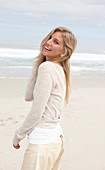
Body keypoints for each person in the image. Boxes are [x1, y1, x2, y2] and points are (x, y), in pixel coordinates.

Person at [13, 26, 77, 170]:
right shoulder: (57, 69)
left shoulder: (47, 68)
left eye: (56, 42)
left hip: (42, 144)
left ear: (64, 52)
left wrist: (18, 135)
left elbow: (37, 110)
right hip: (56, 139)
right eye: (50, 38)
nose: (48, 42)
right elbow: (28, 96)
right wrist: (38, 65)